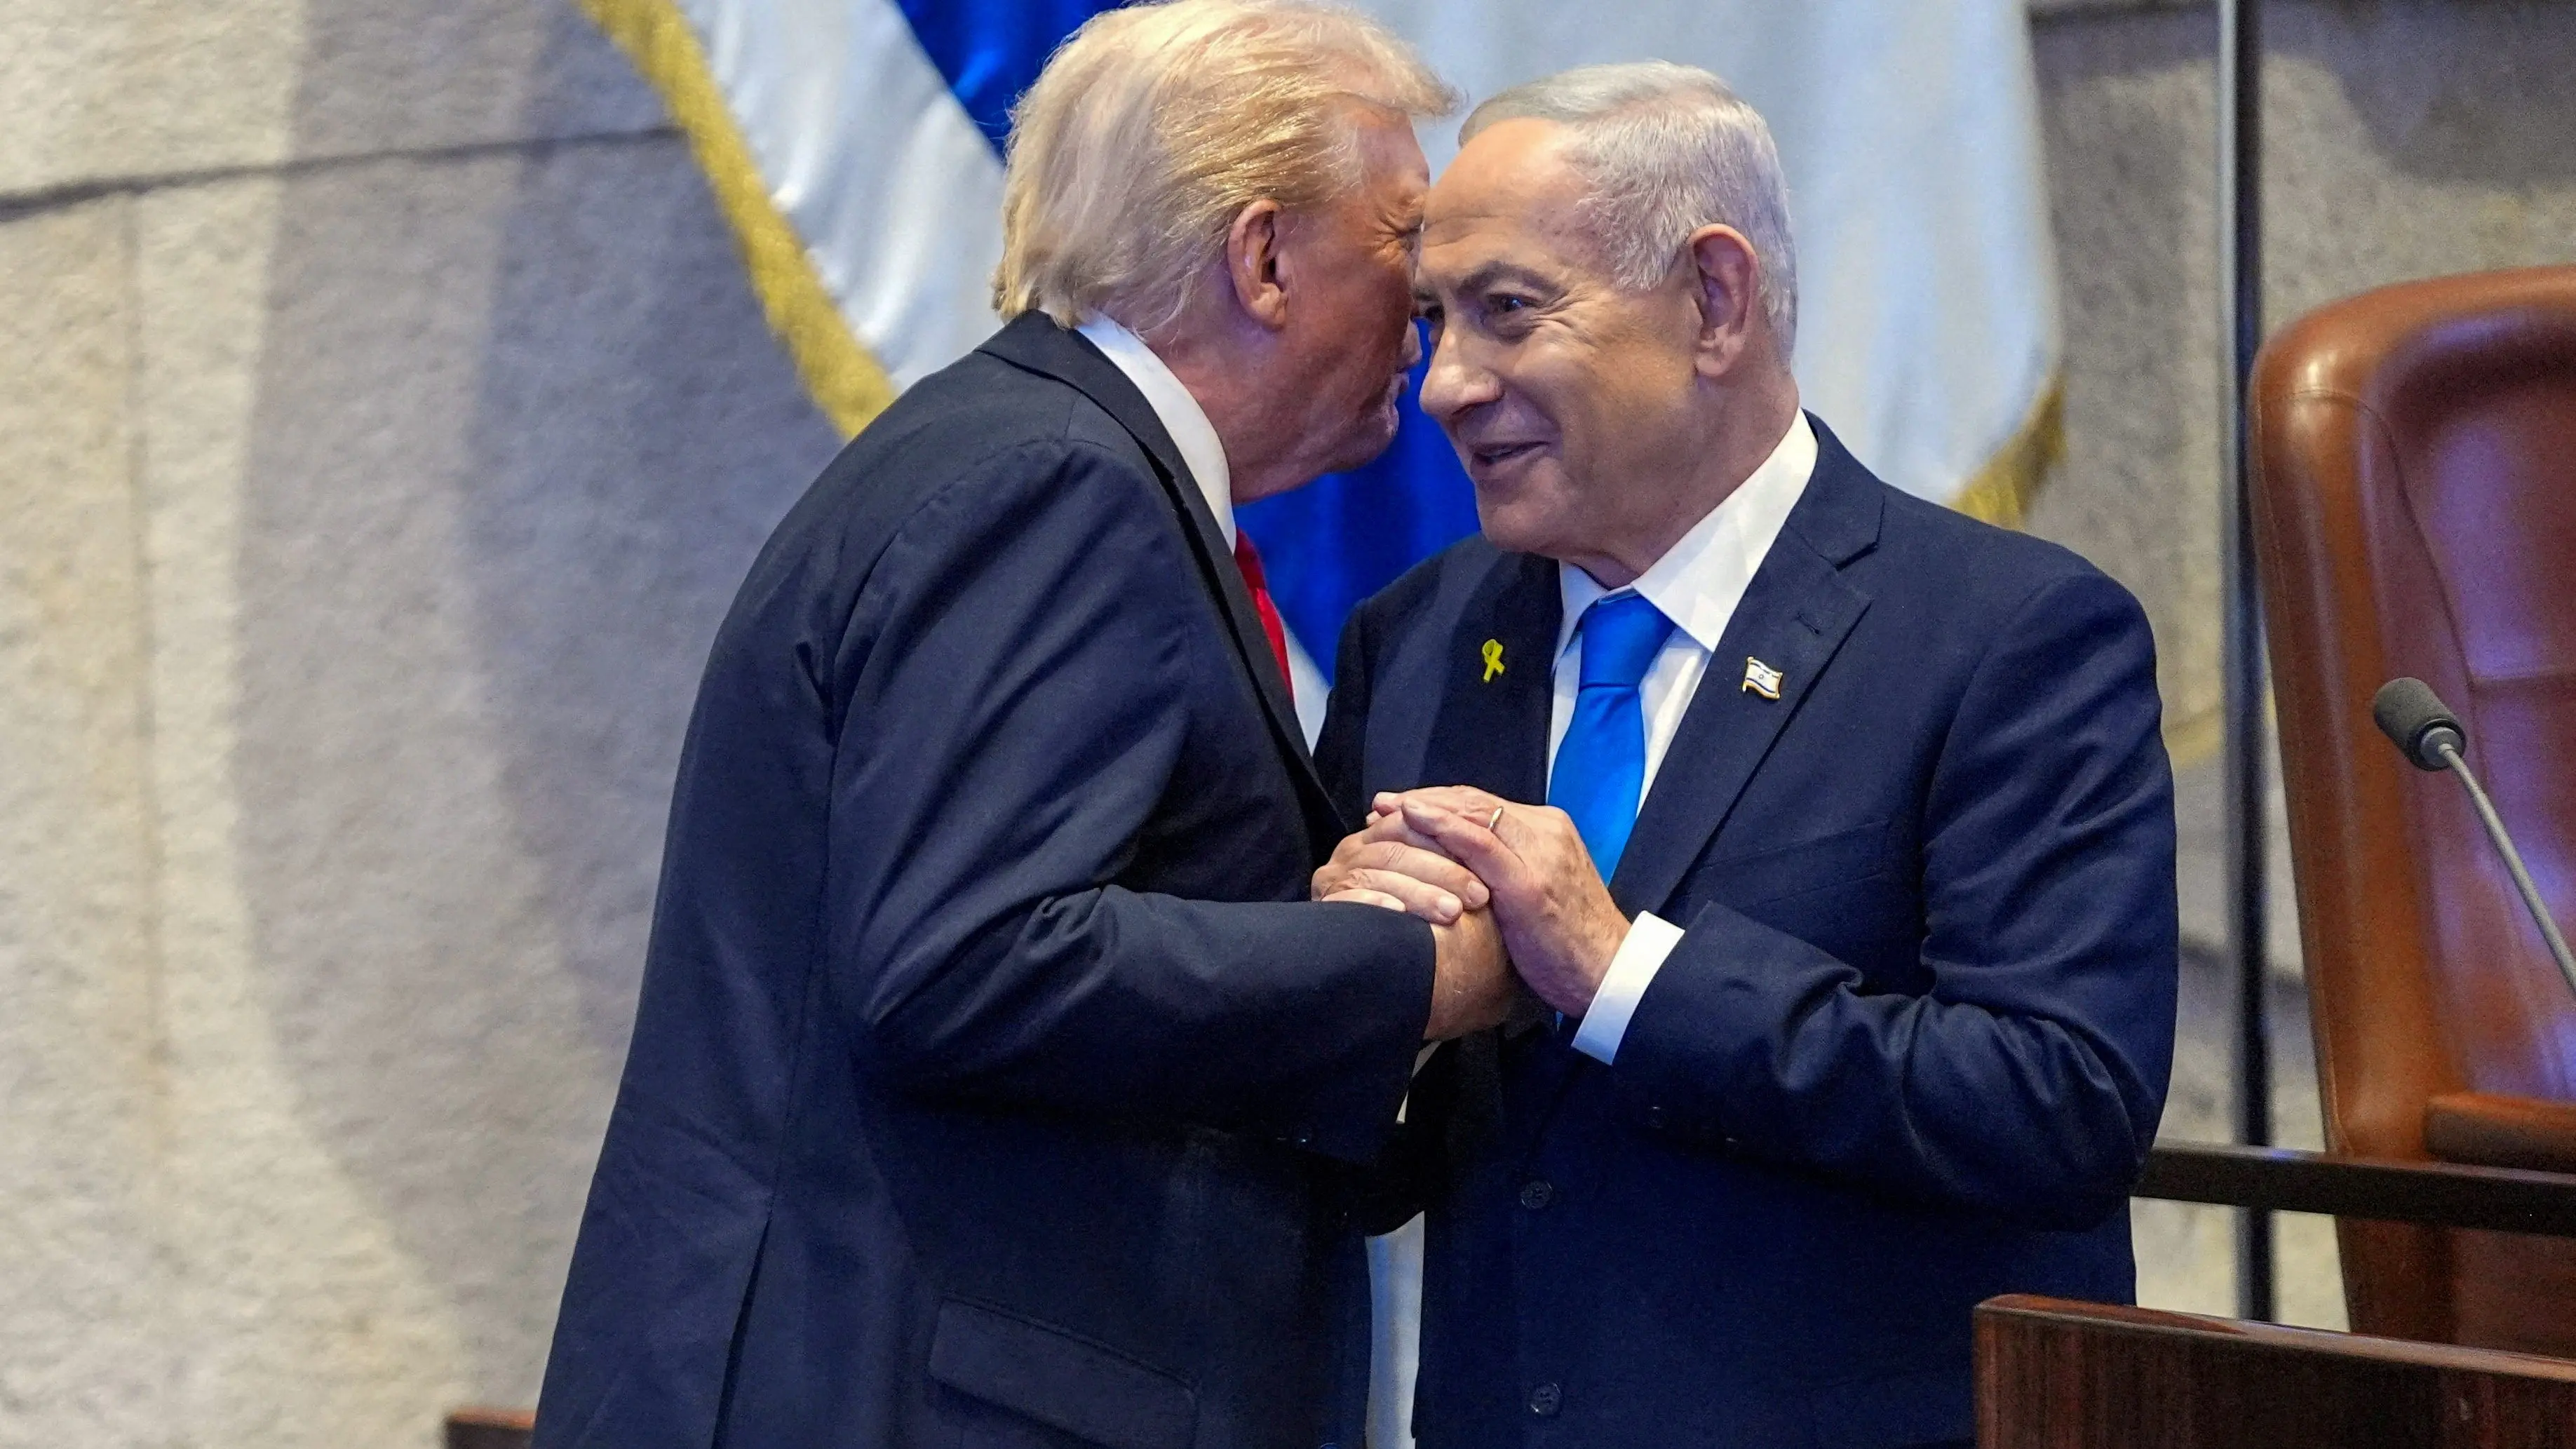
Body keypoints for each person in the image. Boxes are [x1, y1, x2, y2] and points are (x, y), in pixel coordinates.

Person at [532, 6, 1512, 1448]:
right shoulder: (1061, 487)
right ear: (1262, 258)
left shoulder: (1021, 453)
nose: (1428, 311)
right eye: (1401, 245)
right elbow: (962, 958)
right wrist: (1403, 971)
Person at [1310, 63, 2179, 1448]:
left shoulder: (2007, 638)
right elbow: (1375, 1164)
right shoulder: (1415, 643)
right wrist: (1353, 996)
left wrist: (1617, 972)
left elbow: (2058, 1103)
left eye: (1507, 312)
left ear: (1713, 300)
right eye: (1432, 321)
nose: (1445, 387)